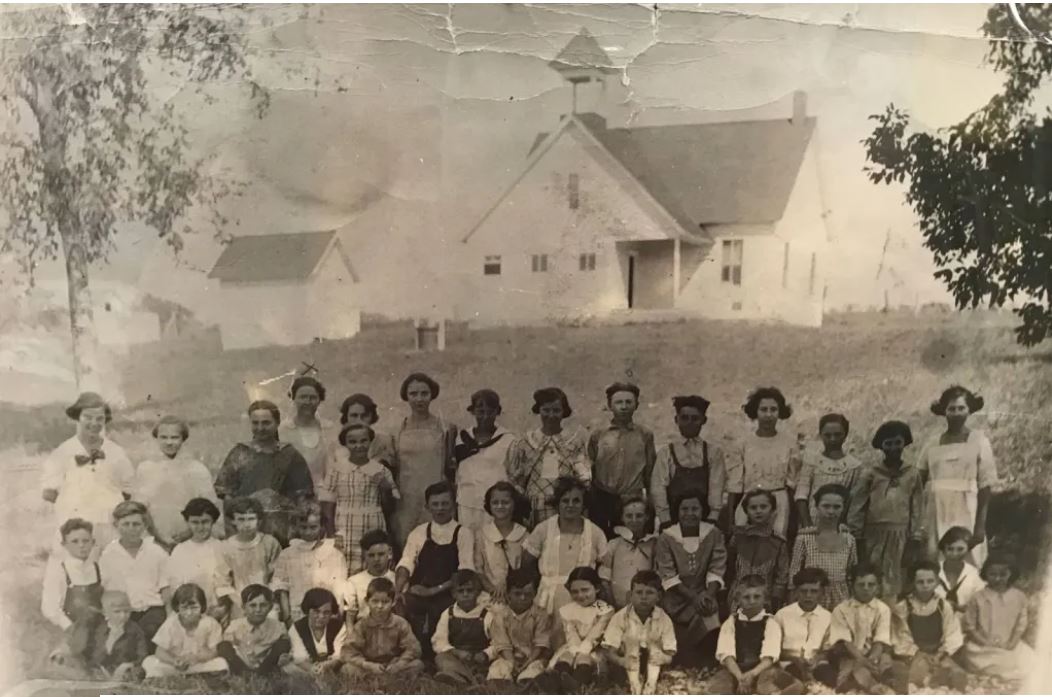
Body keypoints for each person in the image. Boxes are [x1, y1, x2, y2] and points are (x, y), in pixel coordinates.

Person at [41, 392, 135, 553]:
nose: (94, 423)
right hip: (76, 529)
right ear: (78, 417)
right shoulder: (63, 452)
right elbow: (48, 493)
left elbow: (128, 491)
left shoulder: (115, 452)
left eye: (100, 419)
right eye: (88, 417)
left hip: (109, 527)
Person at [917, 385, 998, 566]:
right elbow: (917, 481)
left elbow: (985, 486)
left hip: (967, 507)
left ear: (969, 410)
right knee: (936, 557)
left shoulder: (979, 440)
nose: (956, 413)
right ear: (944, 412)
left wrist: (980, 526)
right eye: (951, 409)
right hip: (937, 508)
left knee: (968, 557)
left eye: (961, 408)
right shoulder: (932, 443)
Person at [215, 400, 314, 547]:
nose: (260, 428)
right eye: (255, 423)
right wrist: (232, 532)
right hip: (246, 528)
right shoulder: (239, 453)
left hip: (281, 530)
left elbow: (303, 498)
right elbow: (228, 497)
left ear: (277, 422)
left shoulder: (290, 455)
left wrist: (296, 533)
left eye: (266, 423)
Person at [395, 481, 475, 658]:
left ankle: (438, 657)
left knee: (443, 612)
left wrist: (432, 591)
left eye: (445, 503)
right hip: (419, 590)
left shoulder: (463, 533)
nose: (440, 509)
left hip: (449, 593)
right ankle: (411, 654)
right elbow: (406, 562)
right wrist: (398, 588)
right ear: (427, 507)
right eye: (435, 504)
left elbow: (465, 571)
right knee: (402, 605)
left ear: (453, 505)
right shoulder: (419, 532)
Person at [654, 488, 727, 668]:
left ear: (703, 511)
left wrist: (708, 595)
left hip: (705, 595)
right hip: (676, 598)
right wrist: (694, 597)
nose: (689, 514)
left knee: (710, 615)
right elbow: (667, 573)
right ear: (677, 512)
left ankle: (706, 664)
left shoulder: (713, 533)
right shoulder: (667, 537)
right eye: (684, 509)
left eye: (695, 509)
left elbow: (717, 566)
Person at [505, 387, 591, 526]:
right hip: (534, 507)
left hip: (565, 504)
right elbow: (516, 479)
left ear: (564, 412)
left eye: (556, 410)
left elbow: (584, 477)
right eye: (546, 410)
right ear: (539, 410)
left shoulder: (574, 441)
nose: (551, 415)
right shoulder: (526, 442)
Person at [320, 422, 398, 573]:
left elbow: (389, 508)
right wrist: (331, 535)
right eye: (353, 442)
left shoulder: (380, 469)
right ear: (345, 444)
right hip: (345, 525)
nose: (359, 446)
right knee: (345, 568)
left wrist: (385, 489)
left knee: (373, 567)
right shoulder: (336, 470)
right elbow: (327, 506)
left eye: (363, 441)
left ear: (370, 441)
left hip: (373, 524)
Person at [133, 415, 221, 550]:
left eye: (174, 437)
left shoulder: (197, 469)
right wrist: (157, 536)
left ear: (183, 439)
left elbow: (210, 508)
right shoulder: (145, 468)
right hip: (154, 540)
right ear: (157, 438)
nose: (169, 442)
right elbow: (139, 508)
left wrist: (188, 533)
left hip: (191, 539)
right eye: (163, 437)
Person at [859, 421, 924, 603]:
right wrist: (858, 536)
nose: (893, 448)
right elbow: (858, 505)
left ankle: (892, 615)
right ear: (881, 446)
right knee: (872, 576)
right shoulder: (871, 473)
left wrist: (915, 537)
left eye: (897, 442)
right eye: (888, 444)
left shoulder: (912, 474)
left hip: (900, 534)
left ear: (905, 443)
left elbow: (917, 507)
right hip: (874, 534)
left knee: (895, 579)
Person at [521, 477, 607, 614]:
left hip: (582, 600)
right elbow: (525, 563)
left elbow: (605, 567)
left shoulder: (595, 532)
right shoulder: (543, 529)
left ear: (584, 504)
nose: (570, 505)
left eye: (576, 501)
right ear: (557, 504)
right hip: (547, 601)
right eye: (565, 500)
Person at [391, 372, 458, 548]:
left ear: (432, 395)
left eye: (424, 393)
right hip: (406, 499)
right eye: (413, 394)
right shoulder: (397, 429)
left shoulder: (446, 428)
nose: (419, 399)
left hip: (435, 498)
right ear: (406, 396)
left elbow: (450, 467)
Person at [727, 387, 802, 539]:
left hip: (779, 503)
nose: (768, 415)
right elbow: (735, 484)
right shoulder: (743, 443)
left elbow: (793, 482)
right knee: (746, 542)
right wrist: (729, 519)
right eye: (763, 409)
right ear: (756, 411)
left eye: (773, 409)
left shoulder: (789, 443)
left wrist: (795, 517)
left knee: (776, 544)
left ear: (780, 412)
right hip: (750, 502)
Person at [710, 575, 803, 695]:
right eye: (746, 597)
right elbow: (727, 655)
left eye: (757, 597)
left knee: (770, 686)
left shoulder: (770, 623)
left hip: (762, 670)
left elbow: (769, 657)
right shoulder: (730, 622)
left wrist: (752, 674)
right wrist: (741, 678)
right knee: (719, 687)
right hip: (735, 671)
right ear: (738, 599)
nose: (752, 601)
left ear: (765, 599)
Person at [587, 382, 657, 537]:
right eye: (619, 402)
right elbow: (589, 468)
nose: (624, 407)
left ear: (636, 405)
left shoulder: (645, 435)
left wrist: (651, 506)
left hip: (632, 501)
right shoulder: (598, 434)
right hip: (602, 500)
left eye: (628, 402)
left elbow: (650, 473)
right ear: (610, 405)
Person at [888, 561, 968, 692]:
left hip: (939, 652)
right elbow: (902, 637)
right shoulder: (903, 607)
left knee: (957, 675)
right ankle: (928, 679)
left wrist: (940, 654)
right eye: (920, 582)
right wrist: (920, 654)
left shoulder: (944, 606)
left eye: (930, 581)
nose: (926, 585)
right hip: (915, 654)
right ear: (913, 583)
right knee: (918, 675)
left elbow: (952, 633)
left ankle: (941, 676)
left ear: (937, 582)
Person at [98, 501, 170, 644]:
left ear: (145, 526)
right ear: (117, 525)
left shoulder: (156, 552)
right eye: (126, 524)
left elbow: (166, 588)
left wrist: (170, 618)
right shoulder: (108, 554)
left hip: (153, 610)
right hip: (124, 613)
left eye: (136, 524)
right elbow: (106, 590)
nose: (131, 529)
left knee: (147, 631)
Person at [650, 395, 724, 529]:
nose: (689, 422)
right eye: (684, 418)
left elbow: (716, 487)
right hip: (673, 519)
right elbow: (658, 487)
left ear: (704, 420)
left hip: (705, 518)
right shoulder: (666, 452)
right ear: (676, 419)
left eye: (695, 418)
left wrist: (712, 518)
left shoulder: (714, 453)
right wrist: (665, 520)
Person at [958, 554, 1033, 683]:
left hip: (1010, 643)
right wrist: (984, 642)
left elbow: (1021, 623)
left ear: (1011, 574)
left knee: (1029, 660)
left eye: (1003, 574)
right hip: (982, 646)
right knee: (986, 660)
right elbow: (969, 625)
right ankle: (998, 671)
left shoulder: (1019, 596)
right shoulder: (978, 597)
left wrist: (1012, 643)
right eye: (992, 574)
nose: (998, 578)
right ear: (985, 574)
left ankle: (1004, 669)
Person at [601, 570, 677, 696]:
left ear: (659, 596)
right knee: (631, 644)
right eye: (639, 592)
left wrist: (662, 658)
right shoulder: (620, 617)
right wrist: (622, 661)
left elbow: (670, 654)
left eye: (649, 593)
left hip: (652, 662)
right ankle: (634, 686)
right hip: (625, 661)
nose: (644, 597)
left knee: (655, 649)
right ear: (630, 595)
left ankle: (650, 686)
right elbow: (609, 651)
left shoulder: (664, 619)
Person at [825, 562, 896, 694]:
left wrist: (871, 660)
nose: (866, 589)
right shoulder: (841, 609)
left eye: (871, 585)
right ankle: (869, 687)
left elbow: (880, 640)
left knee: (885, 666)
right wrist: (861, 661)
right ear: (852, 586)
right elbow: (845, 642)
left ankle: (880, 685)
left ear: (878, 587)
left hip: (874, 654)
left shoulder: (883, 609)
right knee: (851, 674)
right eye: (861, 585)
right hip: (848, 654)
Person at [274, 500, 347, 625]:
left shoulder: (334, 554)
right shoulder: (287, 554)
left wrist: (337, 615)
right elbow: (282, 588)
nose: (308, 532)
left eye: (313, 527)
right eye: (303, 527)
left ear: (322, 526)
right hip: (297, 615)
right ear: (296, 526)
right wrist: (287, 618)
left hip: (324, 615)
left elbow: (339, 588)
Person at [48, 590, 147, 682]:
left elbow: (142, 655)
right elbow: (79, 646)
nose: (123, 616)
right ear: (105, 612)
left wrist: (129, 665)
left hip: (123, 674)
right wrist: (64, 652)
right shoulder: (97, 627)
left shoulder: (135, 630)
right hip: (95, 671)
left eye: (127, 611)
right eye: (117, 611)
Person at [166, 499, 236, 626]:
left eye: (205, 522)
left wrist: (223, 608)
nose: (200, 527)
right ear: (188, 522)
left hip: (215, 609)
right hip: (187, 610)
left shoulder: (221, 548)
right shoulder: (180, 550)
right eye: (195, 522)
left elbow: (225, 582)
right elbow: (175, 585)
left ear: (213, 522)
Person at [453, 389, 516, 530]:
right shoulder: (461, 437)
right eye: (480, 411)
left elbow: (512, 473)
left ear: (497, 412)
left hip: (496, 503)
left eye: (490, 411)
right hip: (467, 502)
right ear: (473, 411)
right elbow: (457, 470)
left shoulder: (508, 439)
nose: (485, 416)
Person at [795, 413, 867, 537]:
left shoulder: (854, 466)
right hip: (812, 520)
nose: (833, 439)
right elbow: (801, 494)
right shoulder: (812, 461)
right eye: (827, 435)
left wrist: (841, 525)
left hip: (838, 522)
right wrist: (808, 524)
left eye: (838, 435)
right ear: (821, 435)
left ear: (845, 435)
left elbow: (852, 500)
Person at [340, 577, 425, 680]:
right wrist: (366, 664)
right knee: (347, 668)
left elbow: (414, 648)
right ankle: (375, 679)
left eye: (385, 602)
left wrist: (399, 664)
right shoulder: (362, 625)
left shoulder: (400, 623)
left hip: (394, 665)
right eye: (375, 601)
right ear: (367, 601)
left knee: (418, 664)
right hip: (369, 666)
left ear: (393, 602)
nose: (380, 606)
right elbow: (347, 652)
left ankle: (390, 678)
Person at [789, 484, 857, 610]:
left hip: (841, 599)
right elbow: (794, 576)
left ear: (843, 508)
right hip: (811, 598)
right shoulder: (804, 538)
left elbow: (851, 575)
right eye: (826, 506)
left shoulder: (849, 539)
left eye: (837, 507)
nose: (831, 511)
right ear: (816, 507)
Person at [546, 567, 614, 691]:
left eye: (585, 590)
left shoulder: (604, 610)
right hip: (574, 646)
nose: (580, 595)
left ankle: (577, 684)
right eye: (575, 592)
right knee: (565, 657)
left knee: (584, 659)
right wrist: (574, 651)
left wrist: (581, 652)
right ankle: (558, 683)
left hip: (594, 648)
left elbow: (595, 635)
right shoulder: (568, 610)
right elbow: (570, 633)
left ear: (597, 588)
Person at [143, 583, 229, 678]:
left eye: (194, 608)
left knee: (221, 663)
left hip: (199, 663)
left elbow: (214, 651)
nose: (189, 613)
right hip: (175, 665)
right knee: (149, 662)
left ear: (202, 607)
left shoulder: (210, 623)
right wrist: (174, 661)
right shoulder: (171, 623)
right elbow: (159, 651)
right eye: (184, 608)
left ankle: (198, 674)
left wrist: (198, 658)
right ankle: (190, 674)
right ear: (177, 608)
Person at [486, 568, 552, 688]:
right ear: (508, 593)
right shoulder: (501, 615)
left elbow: (540, 643)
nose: (522, 598)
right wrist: (512, 664)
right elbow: (503, 644)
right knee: (498, 671)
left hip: (533, 657)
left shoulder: (540, 614)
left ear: (535, 593)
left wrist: (528, 663)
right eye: (517, 593)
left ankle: (526, 681)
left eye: (527, 594)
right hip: (508, 657)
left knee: (533, 673)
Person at [727, 488, 790, 612]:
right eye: (753, 507)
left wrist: (776, 601)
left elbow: (781, 576)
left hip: (766, 600)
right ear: (746, 511)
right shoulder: (737, 538)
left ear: (772, 510)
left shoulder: (778, 542)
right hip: (738, 598)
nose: (758, 511)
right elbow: (729, 568)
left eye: (763, 506)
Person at [432, 570, 495, 686]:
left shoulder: (486, 615)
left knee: (491, 666)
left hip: (478, 659)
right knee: (440, 658)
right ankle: (466, 679)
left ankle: (460, 678)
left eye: (470, 590)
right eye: (461, 591)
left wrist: (486, 654)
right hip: (457, 658)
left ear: (477, 592)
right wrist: (455, 652)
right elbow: (439, 641)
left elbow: (497, 642)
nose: (465, 594)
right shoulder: (448, 614)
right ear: (453, 594)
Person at [217, 584, 292, 677]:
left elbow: (283, 650)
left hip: (267, 664)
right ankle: (245, 673)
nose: (258, 610)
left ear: (270, 607)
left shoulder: (278, 626)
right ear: (243, 607)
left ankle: (262, 673)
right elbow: (225, 649)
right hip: (241, 664)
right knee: (223, 646)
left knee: (283, 644)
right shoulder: (235, 626)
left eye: (263, 605)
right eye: (252, 605)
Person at [41, 518, 102, 631]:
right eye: (75, 541)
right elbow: (50, 608)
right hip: (70, 632)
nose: (81, 545)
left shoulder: (98, 568)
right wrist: (71, 628)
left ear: (93, 542)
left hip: (99, 632)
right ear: (64, 545)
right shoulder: (60, 571)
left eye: (86, 541)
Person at [774, 568, 833, 685]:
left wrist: (816, 659)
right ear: (796, 592)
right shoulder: (782, 615)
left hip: (817, 664)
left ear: (822, 592)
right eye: (803, 591)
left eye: (814, 591)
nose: (808, 596)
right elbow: (774, 648)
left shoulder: (828, 617)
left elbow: (828, 649)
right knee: (795, 682)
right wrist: (794, 659)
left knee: (830, 680)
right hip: (789, 663)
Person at [474, 481, 529, 606]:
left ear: (514, 504)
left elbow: (526, 569)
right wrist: (493, 591)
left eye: (505, 502)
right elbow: (478, 570)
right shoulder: (481, 534)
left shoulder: (524, 535)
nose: (500, 506)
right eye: (495, 502)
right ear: (489, 505)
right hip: (488, 595)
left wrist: (509, 587)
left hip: (516, 593)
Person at [220, 497, 282, 606]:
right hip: (239, 602)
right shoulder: (226, 547)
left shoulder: (269, 543)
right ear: (233, 521)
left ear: (259, 520)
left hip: (266, 601)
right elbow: (222, 581)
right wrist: (239, 601)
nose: (247, 524)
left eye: (251, 519)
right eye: (241, 519)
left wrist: (268, 597)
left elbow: (278, 575)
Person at [599, 497, 657, 608]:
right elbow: (604, 578)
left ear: (647, 517)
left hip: (645, 605)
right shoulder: (613, 544)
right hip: (617, 604)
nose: (634, 520)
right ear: (622, 518)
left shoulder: (653, 544)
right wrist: (612, 604)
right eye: (629, 516)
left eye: (639, 516)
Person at [280, 376, 332, 489]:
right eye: (303, 397)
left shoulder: (329, 429)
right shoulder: (282, 430)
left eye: (313, 397)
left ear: (319, 400)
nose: (308, 402)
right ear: (293, 398)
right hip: (291, 492)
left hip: (323, 492)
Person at [286, 588, 346, 676]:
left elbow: (339, 655)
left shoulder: (339, 626)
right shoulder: (297, 628)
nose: (321, 616)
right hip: (307, 665)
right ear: (308, 610)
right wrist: (311, 668)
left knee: (347, 668)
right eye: (316, 611)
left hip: (331, 666)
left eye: (326, 612)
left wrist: (327, 665)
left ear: (332, 612)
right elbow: (300, 657)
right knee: (289, 668)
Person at [343, 530, 396, 627]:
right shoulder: (354, 582)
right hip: (364, 631)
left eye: (381, 554)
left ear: (389, 553)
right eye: (371, 555)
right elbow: (350, 618)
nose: (376, 559)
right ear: (364, 556)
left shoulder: (397, 580)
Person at [338, 393, 398, 472]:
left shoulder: (384, 441)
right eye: (354, 415)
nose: (359, 420)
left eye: (365, 415)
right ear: (346, 417)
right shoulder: (337, 445)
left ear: (372, 417)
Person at [935, 526, 985, 613]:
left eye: (960, 549)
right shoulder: (933, 571)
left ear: (968, 549)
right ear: (943, 550)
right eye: (950, 549)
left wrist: (959, 608)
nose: (955, 554)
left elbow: (981, 604)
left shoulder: (974, 574)